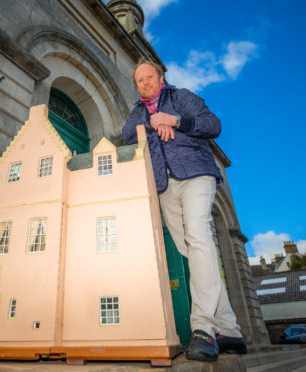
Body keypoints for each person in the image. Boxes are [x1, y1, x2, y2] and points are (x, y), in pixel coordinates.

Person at [122, 58, 247, 361]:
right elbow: (127, 134)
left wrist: (175, 120)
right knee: (191, 250)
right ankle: (230, 330)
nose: (145, 83)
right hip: (164, 185)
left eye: (149, 77)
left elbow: (213, 125)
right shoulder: (138, 112)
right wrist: (151, 123)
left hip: (195, 175)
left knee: (199, 236)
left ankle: (203, 329)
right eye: (139, 80)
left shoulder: (181, 97)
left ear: (160, 77)